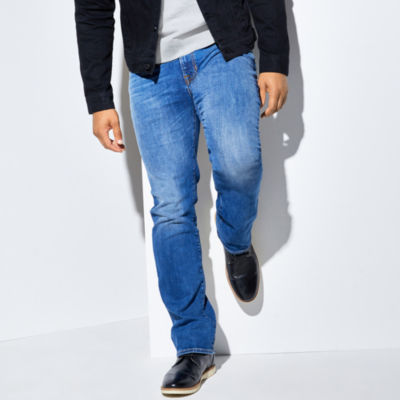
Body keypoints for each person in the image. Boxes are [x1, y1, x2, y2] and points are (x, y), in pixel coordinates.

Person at [74, 0, 290, 395]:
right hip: (151, 73)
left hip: (222, 50)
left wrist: (275, 58)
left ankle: (236, 241)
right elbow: (92, 9)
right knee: (171, 207)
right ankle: (193, 346)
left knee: (241, 164)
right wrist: (99, 98)